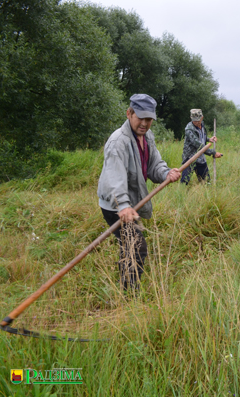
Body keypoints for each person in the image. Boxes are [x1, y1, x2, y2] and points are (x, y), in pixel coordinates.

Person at [97, 94, 181, 292]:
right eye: (140, 118)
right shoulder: (118, 141)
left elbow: (154, 165)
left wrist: (166, 172)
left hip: (130, 203)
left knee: (131, 245)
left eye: (149, 119)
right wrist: (124, 206)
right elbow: (115, 180)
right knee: (137, 247)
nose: (144, 123)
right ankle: (128, 294)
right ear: (129, 114)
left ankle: (126, 289)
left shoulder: (146, 136)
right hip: (115, 205)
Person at [180, 109, 223, 185]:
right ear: (191, 118)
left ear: (202, 118)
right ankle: (181, 195)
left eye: (198, 120)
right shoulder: (189, 129)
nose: (196, 122)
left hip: (200, 158)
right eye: (194, 120)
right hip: (190, 158)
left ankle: (207, 195)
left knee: (206, 182)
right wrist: (213, 153)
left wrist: (209, 139)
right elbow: (198, 145)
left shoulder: (202, 125)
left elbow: (202, 137)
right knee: (184, 182)